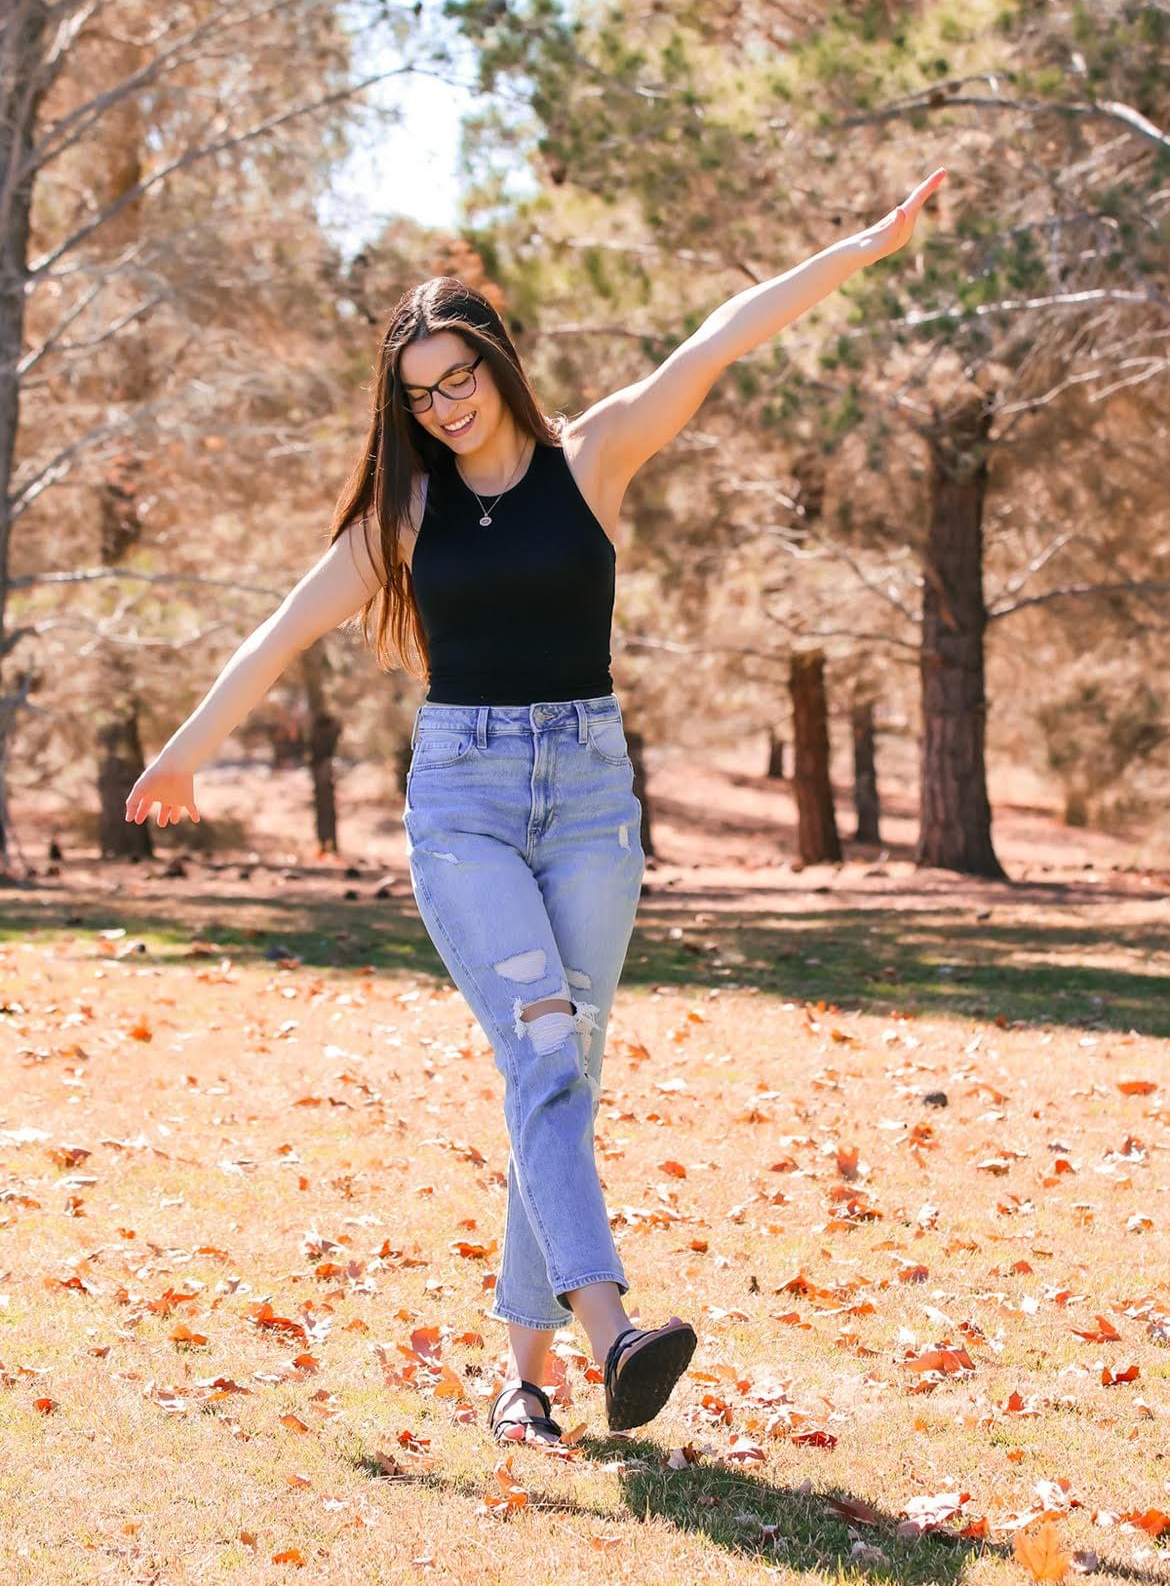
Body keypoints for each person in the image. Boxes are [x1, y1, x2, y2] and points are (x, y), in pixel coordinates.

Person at [124, 170, 946, 1446]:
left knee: (556, 1069)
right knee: (545, 1044)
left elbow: (723, 334)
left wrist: (863, 244)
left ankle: (524, 1384)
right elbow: (278, 636)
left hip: (591, 800)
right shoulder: (405, 515)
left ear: (498, 364)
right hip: (466, 802)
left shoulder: (596, 455)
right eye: (421, 396)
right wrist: (179, 756)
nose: (445, 409)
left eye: (459, 379)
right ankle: (613, 1332)